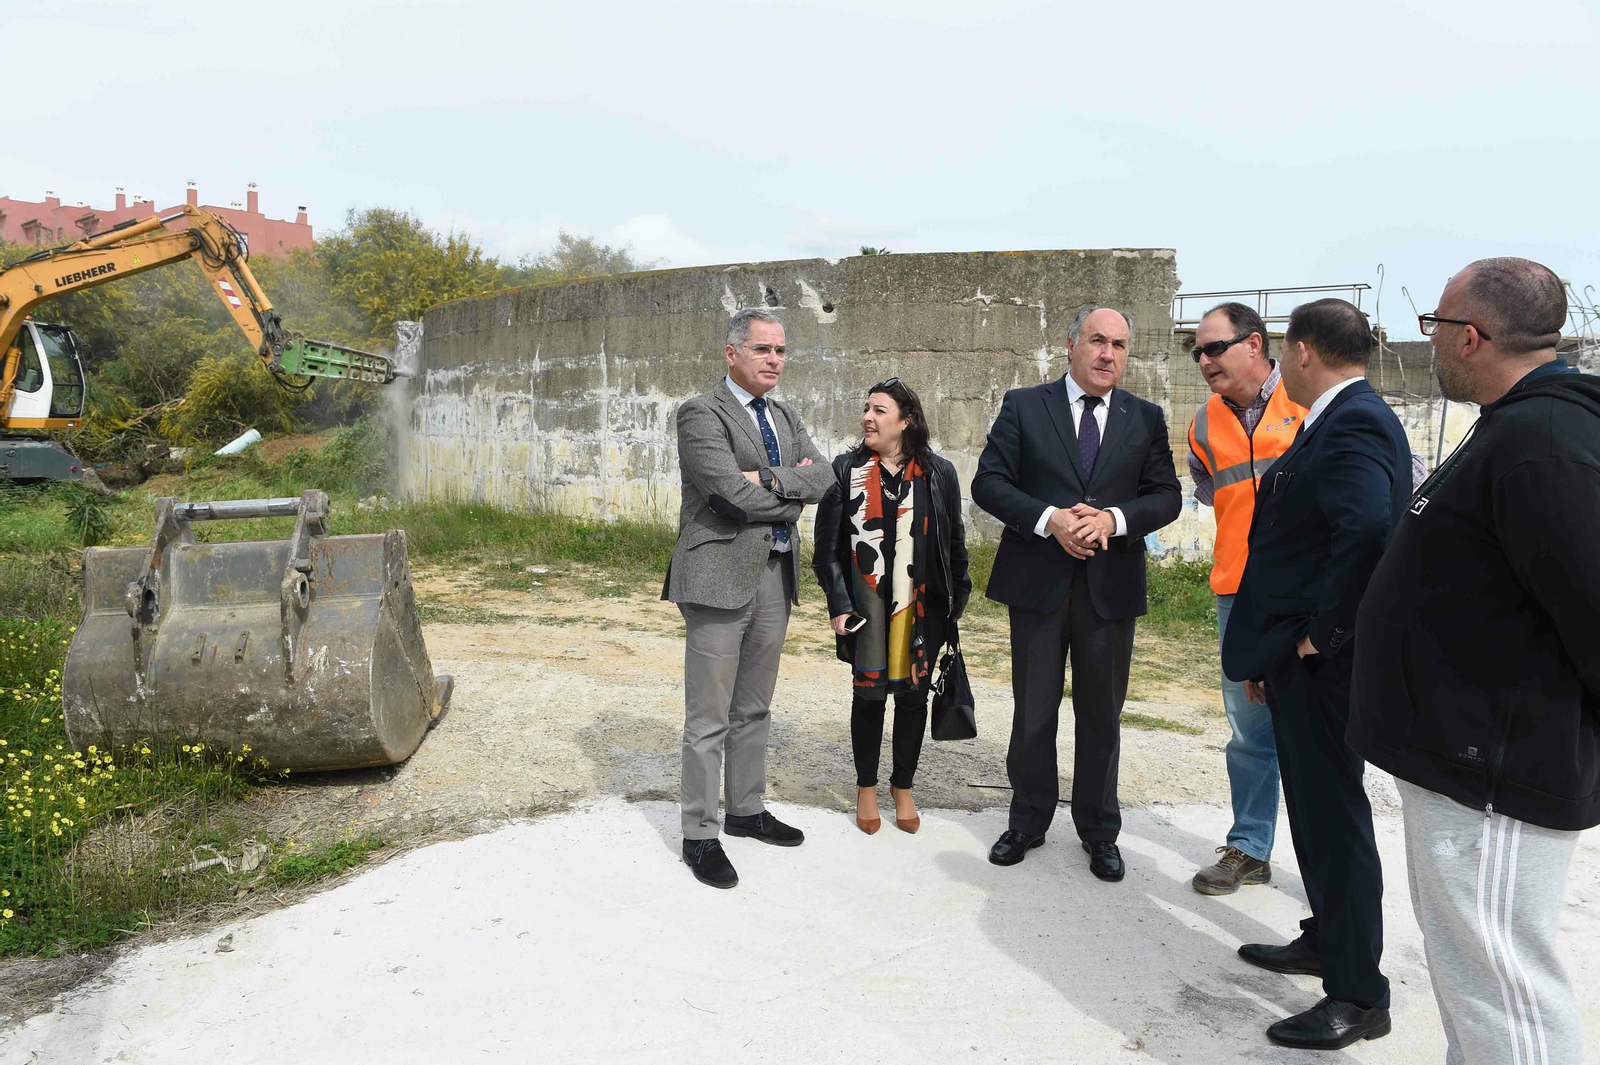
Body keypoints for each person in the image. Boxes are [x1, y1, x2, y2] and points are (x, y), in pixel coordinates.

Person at [1348, 257, 1599, 1065]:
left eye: (1433, 326)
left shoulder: (1544, 443)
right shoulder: (1514, 422)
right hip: (1467, 761)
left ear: (1470, 336)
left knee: (1506, 992)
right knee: (1475, 990)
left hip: (1493, 771)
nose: (1428, 344)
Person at [1220, 298, 1410, 1050]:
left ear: (1301, 350)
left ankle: (1359, 993)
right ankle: (1326, 937)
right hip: (1299, 662)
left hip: (1326, 667)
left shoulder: (1355, 418)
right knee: (1314, 807)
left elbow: (1366, 529)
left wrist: (1316, 639)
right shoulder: (1338, 415)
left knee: (1334, 818)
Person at [971, 306, 1182, 882]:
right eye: (1096, 340)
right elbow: (988, 482)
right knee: (1033, 712)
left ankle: (1098, 830)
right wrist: (1049, 519)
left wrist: (1113, 519)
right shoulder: (1024, 406)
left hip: (1108, 590)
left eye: (1118, 343)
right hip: (1038, 585)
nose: (1107, 353)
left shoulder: (1145, 418)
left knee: (1101, 716)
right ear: (1071, 346)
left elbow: (1166, 495)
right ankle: (1028, 820)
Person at [663, 307, 835, 889]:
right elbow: (728, 496)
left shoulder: (784, 414)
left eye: (781, 351)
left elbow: (828, 476)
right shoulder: (700, 412)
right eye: (763, 350)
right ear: (732, 353)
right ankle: (699, 835)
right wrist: (789, 486)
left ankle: (744, 810)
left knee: (754, 707)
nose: (774, 361)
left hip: (774, 573)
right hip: (716, 576)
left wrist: (769, 481)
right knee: (708, 716)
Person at [812, 379, 972, 835]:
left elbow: (954, 542)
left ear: (906, 421)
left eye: (880, 410)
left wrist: (956, 602)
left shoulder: (939, 473)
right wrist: (839, 604)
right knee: (867, 697)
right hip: (866, 609)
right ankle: (866, 787)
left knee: (913, 697)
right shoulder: (845, 470)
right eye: (866, 409)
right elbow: (826, 550)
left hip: (923, 609)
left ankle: (903, 786)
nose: (868, 417)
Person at [1185, 303, 1307, 896]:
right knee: (1250, 732)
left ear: (1255, 343)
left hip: (1312, 595)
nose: (1204, 361)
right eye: (1198, 352)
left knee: (1321, 727)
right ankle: (1250, 847)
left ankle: (1331, 856)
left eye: (1215, 348)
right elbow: (1210, 490)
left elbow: (1395, 476)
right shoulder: (1203, 422)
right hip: (1239, 594)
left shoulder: (1314, 401)